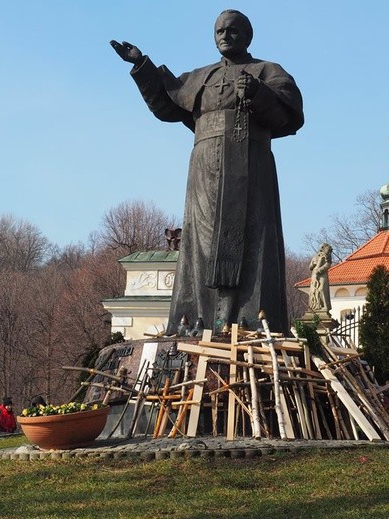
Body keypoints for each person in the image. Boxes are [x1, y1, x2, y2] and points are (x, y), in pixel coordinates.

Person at [111, 9, 304, 334]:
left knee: (252, 240)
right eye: (219, 31)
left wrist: (258, 93)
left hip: (251, 166)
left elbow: (286, 117)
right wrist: (141, 66)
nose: (225, 36)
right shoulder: (199, 76)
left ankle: (251, 321)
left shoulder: (267, 70)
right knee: (202, 243)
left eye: (232, 30)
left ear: (247, 36)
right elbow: (167, 107)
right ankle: (196, 321)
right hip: (205, 170)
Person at [308, 243, 332, 312]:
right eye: (326, 249)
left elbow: (328, 265)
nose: (328, 251)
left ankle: (325, 306)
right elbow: (310, 267)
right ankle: (314, 306)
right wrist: (313, 264)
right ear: (322, 248)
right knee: (314, 291)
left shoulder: (328, 256)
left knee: (321, 289)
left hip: (322, 275)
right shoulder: (316, 256)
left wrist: (319, 270)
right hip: (314, 275)